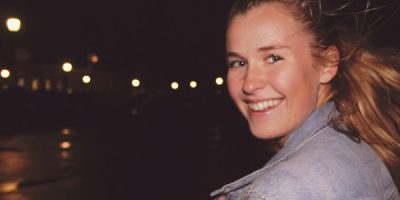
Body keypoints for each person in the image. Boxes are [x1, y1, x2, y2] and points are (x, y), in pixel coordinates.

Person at [210, 0, 400, 199]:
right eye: (239, 63)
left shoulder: (285, 188)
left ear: (327, 64)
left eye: (273, 58)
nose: (249, 84)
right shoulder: (352, 142)